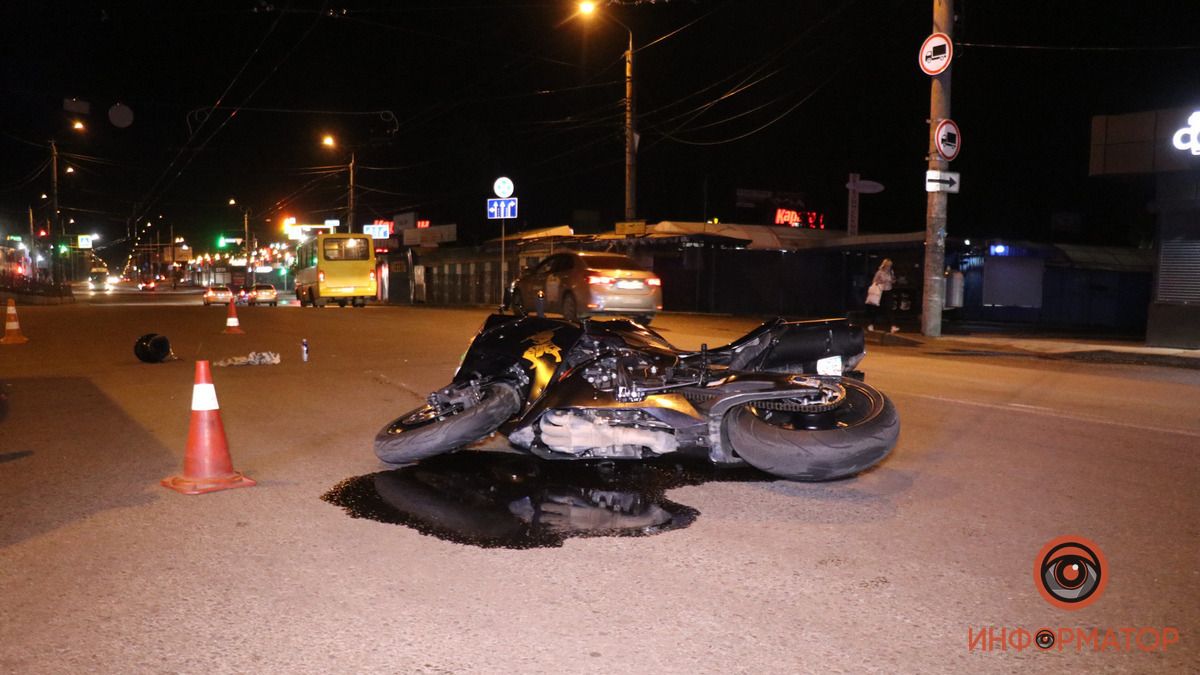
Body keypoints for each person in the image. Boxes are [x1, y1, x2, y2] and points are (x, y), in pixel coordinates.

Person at [866, 258, 899, 333]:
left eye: (890, 265)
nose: (889, 267)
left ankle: (893, 326)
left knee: (889, 308)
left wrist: (893, 280)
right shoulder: (880, 272)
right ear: (885, 265)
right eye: (888, 265)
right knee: (876, 309)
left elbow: (893, 280)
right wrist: (881, 281)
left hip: (888, 291)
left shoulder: (891, 272)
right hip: (880, 292)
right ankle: (871, 324)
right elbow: (874, 281)